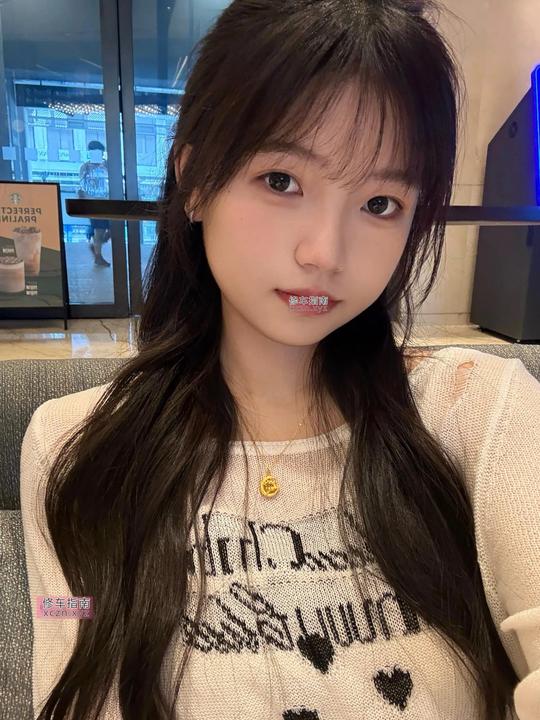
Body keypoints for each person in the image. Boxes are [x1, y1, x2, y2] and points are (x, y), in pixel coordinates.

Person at [19, 2, 540, 720]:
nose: (325, 252)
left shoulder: (477, 409)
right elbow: (67, 643)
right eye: (282, 181)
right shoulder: (76, 448)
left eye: (380, 202)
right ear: (196, 182)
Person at [78, 140, 111, 267]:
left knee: (110, 230)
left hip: (108, 202)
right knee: (99, 230)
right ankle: (98, 256)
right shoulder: (85, 167)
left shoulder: (107, 165)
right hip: (93, 203)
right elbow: (82, 186)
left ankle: (96, 248)